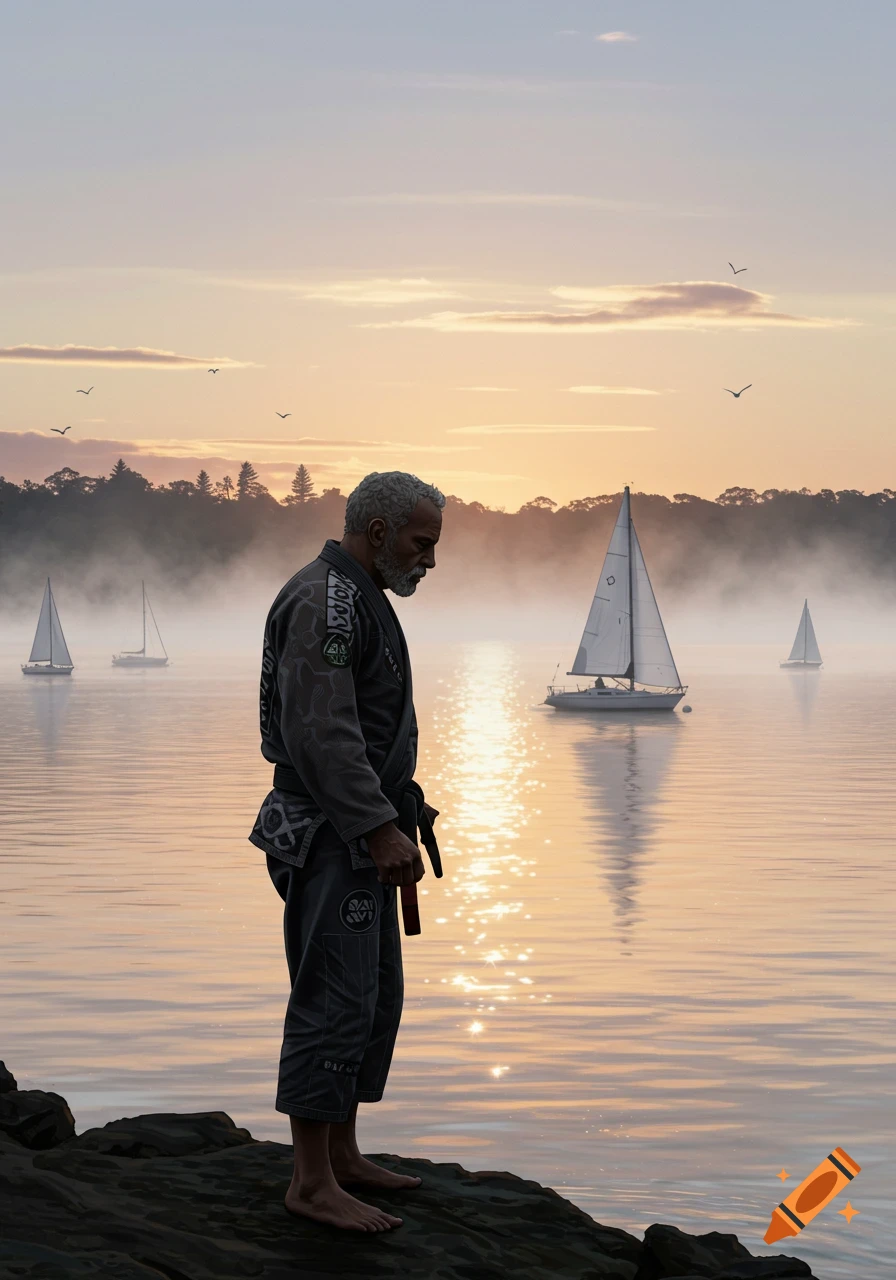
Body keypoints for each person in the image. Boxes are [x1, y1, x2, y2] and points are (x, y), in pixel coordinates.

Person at [249, 470, 445, 1233]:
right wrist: (376, 825)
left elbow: (363, 727)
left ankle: (344, 1153)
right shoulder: (326, 602)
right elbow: (322, 733)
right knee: (332, 997)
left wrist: (402, 806)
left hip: (358, 830)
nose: (430, 559)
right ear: (377, 533)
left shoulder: (361, 596)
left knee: (370, 996)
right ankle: (309, 1181)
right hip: (331, 835)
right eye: (421, 542)